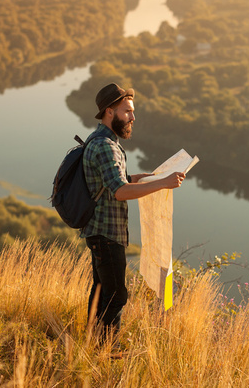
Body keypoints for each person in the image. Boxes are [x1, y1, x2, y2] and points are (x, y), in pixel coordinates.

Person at [81, 82, 185, 338]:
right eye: (127, 111)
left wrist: (138, 179)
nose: (132, 117)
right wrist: (163, 183)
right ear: (109, 112)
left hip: (100, 231)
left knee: (101, 290)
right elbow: (119, 191)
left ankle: (92, 342)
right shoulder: (106, 146)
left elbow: (113, 182)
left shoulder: (100, 140)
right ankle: (106, 350)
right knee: (117, 295)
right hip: (107, 234)